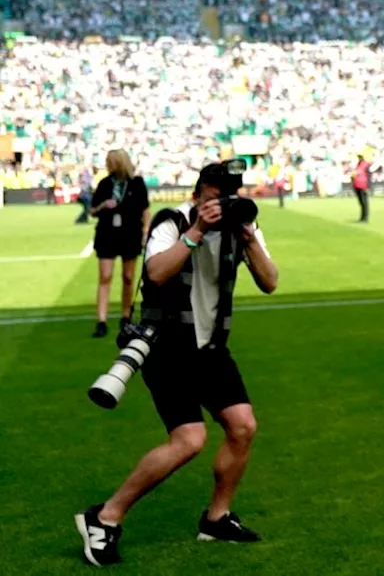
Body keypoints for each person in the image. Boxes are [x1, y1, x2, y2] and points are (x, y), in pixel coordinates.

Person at [75, 160, 279, 567]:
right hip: (167, 347)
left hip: (211, 348)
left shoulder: (242, 226)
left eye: (228, 197)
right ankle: (105, 516)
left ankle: (216, 519)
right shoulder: (173, 222)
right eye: (213, 197)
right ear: (197, 194)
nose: (220, 204)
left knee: (243, 427)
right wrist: (198, 231)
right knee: (189, 441)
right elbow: (155, 273)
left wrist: (250, 237)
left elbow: (270, 281)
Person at [89, 150, 151, 339]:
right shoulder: (104, 184)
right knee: (105, 276)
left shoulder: (137, 184)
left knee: (128, 277)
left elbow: (145, 210)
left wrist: (145, 232)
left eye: (110, 161)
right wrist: (102, 206)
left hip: (130, 233)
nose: (108, 165)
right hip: (107, 234)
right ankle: (101, 320)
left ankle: (126, 316)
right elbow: (92, 210)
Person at [351, 151, 375, 223]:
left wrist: (368, 186)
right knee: (361, 202)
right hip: (357, 185)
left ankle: (365, 218)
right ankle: (362, 217)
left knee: (364, 203)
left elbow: (368, 176)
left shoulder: (365, 165)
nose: (359, 158)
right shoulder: (359, 165)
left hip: (363, 185)